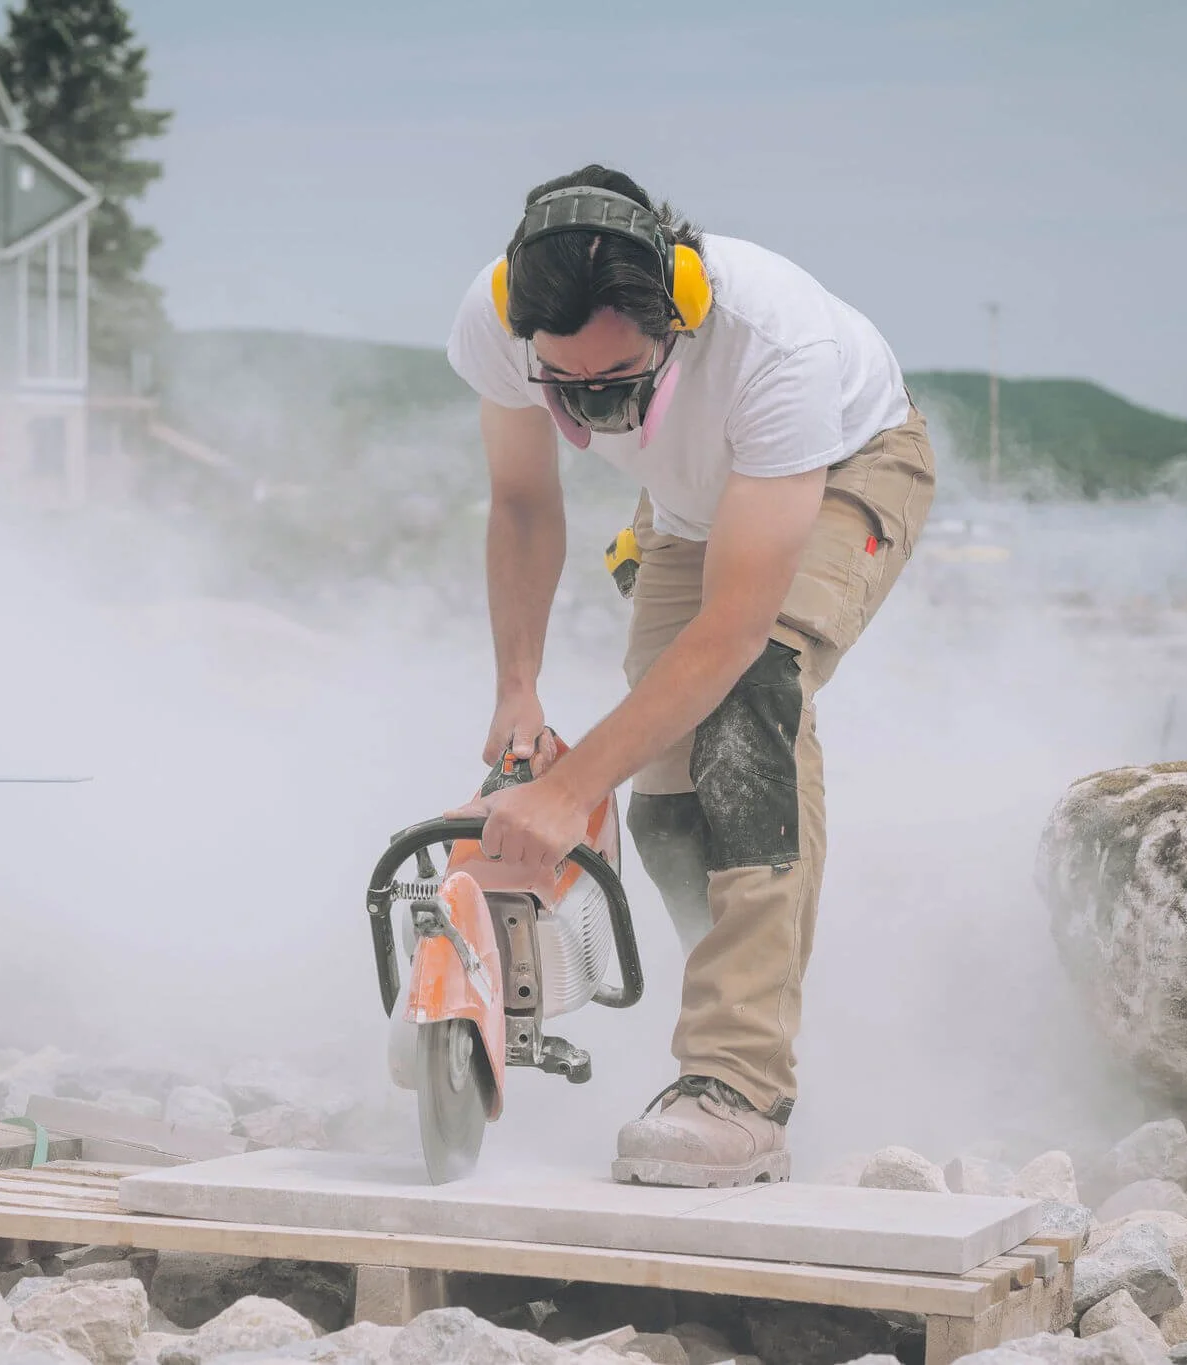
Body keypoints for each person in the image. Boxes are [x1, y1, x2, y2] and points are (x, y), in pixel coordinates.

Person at [444, 164, 936, 1187]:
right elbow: (525, 506)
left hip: (844, 466)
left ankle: (739, 1085)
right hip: (685, 510)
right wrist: (517, 694)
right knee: (668, 803)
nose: (594, 409)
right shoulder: (495, 319)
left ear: (679, 314)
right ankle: (737, 1005)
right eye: (566, 389)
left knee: (745, 713)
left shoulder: (775, 342)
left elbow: (732, 634)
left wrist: (569, 790)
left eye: (618, 383)